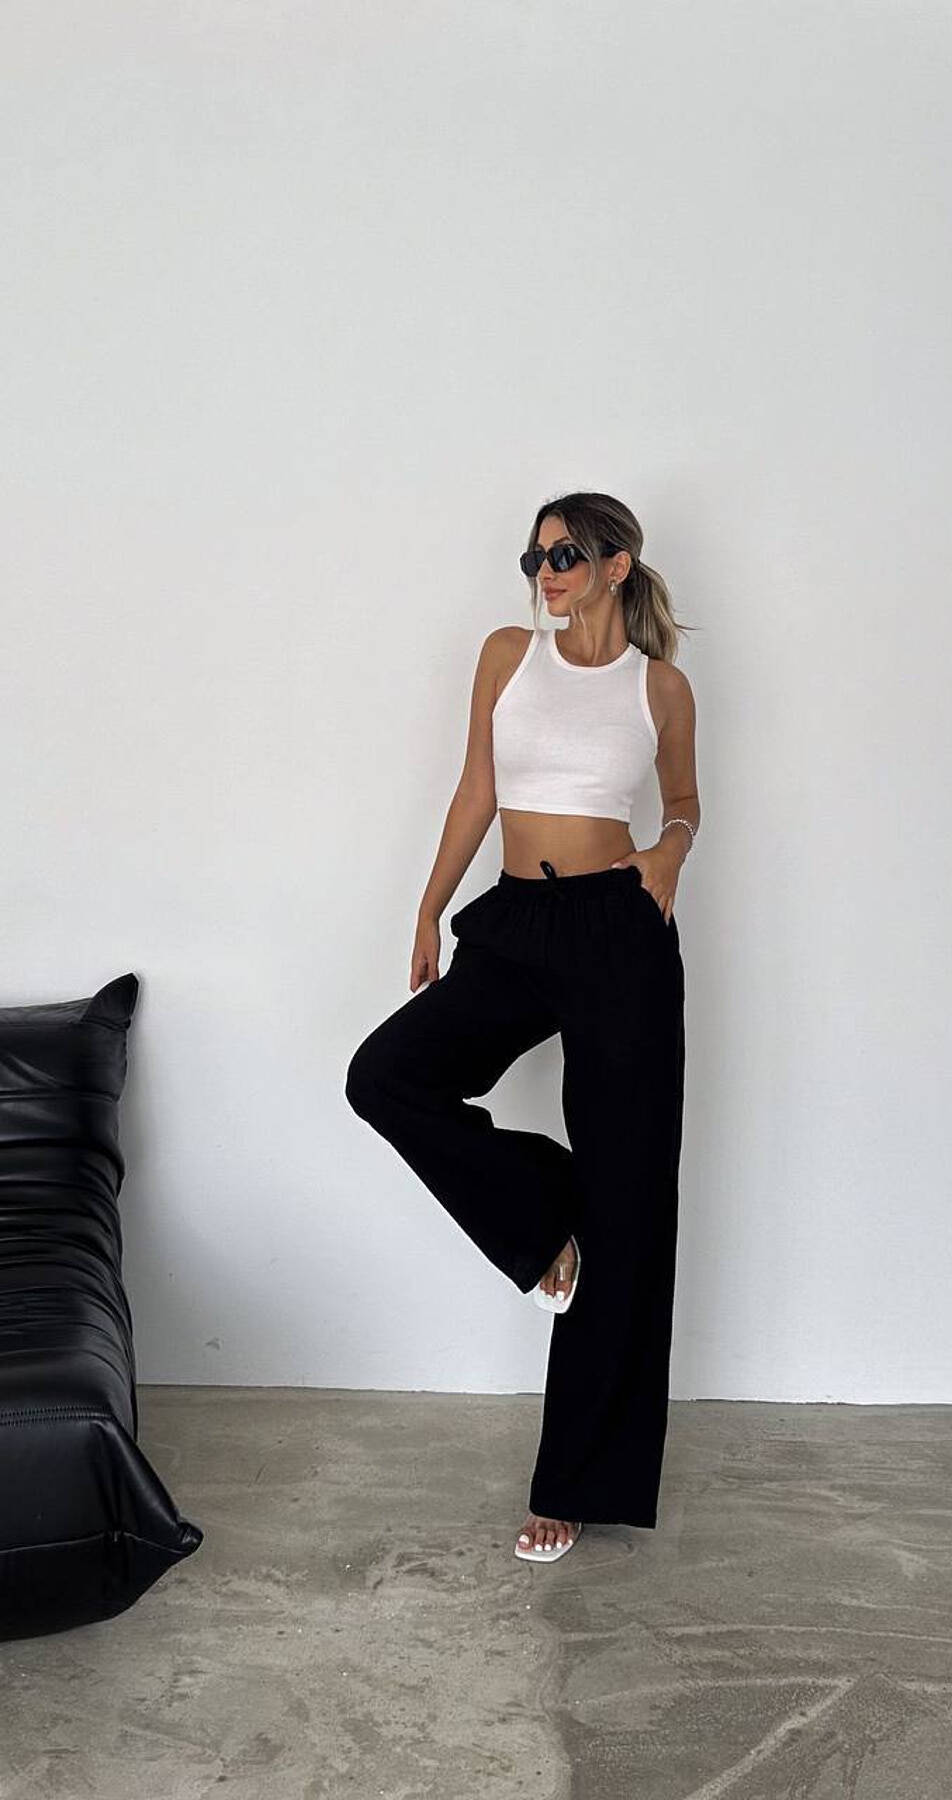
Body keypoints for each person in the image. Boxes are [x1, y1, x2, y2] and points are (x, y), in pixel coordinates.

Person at [345, 490, 699, 1562]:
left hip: (619, 929)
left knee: (631, 1200)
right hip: (515, 921)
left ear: (616, 565)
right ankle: (546, 1224)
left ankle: (576, 1485)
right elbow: (476, 791)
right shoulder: (508, 656)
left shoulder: (660, 687)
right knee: (387, 1076)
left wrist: (669, 851)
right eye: (535, 556)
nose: (545, 573)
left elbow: (685, 803)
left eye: (565, 555)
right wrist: (426, 907)